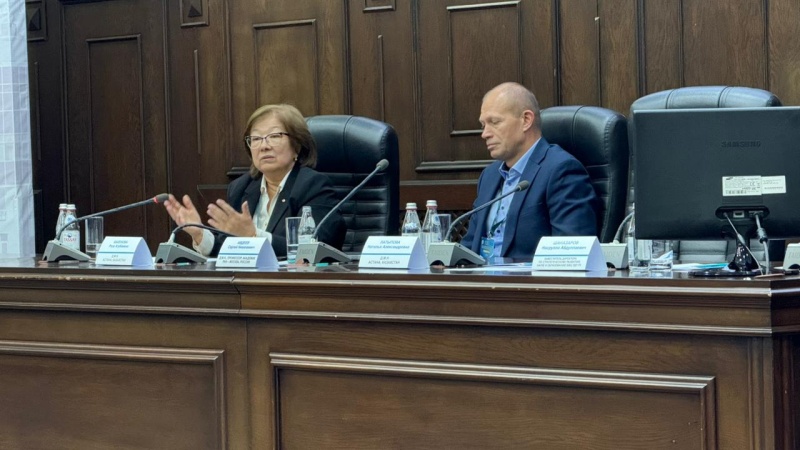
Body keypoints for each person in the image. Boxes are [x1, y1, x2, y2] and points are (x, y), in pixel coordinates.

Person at [164, 104, 346, 258]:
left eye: (274, 136)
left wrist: (253, 236)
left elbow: (314, 249)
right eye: (256, 139)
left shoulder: (313, 186)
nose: (264, 146)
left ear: (297, 145)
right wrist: (199, 234)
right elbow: (228, 248)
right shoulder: (241, 188)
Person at [460, 82, 599, 261]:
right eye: (483, 125)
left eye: (494, 122)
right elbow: (469, 245)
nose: (485, 134)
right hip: (480, 277)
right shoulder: (489, 175)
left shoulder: (561, 170)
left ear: (526, 120)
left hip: (529, 278)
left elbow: (570, 256)